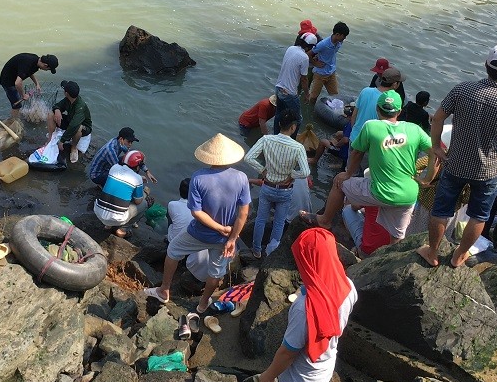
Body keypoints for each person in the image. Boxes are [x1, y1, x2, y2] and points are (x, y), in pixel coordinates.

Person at [417, 41, 497, 268]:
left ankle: (433, 252)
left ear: (485, 64)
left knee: (441, 210)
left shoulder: (462, 89)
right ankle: (459, 255)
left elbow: (438, 118)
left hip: (456, 162)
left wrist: (436, 147)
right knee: (479, 215)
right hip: (488, 170)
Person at [143, 134, 251, 313]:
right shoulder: (241, 178)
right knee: (216, 272)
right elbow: (243, 213)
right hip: (224, 239)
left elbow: (196, 212)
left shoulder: (199, 178)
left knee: (173, 251)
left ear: (209, 156)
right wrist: (231, 237)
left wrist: (219, 228)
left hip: (199, 233)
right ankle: (203, 303)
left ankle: (164, 290)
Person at [312, 91, 431, 245]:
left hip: (380, 192)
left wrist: (347, 174)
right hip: (408, 195)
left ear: (377, 109)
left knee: (339, 182)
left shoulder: (371, 126)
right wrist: (427, 178)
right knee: (396, 239)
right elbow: (436, 151)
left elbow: (356, 154)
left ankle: (325, 220)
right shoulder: (414, 129)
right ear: (400, 112)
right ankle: (389, 259)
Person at [257, 227, 358, 382]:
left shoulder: (304, 309)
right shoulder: (348, 286)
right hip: (323, 370)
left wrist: (268, 376)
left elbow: (288, 353)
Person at [244, 109, 310, 258]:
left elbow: (248, 158)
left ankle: (256, 250)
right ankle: (272, 250)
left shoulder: (266, 140)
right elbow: (305, 172)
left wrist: (263, 171)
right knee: (279, 223)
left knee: (261, 219)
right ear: (293, 127)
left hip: (268, 186)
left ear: (279, 123)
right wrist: (292, 175)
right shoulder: (298, 147)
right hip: (285, 190)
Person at [94, 150, 149, 238]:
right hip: (116, 218)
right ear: (138, 167)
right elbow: (138, 201)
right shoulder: (137, 179)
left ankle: (108, 226)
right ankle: (122, 229)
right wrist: (144, 191)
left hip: (98, 211)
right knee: (144, 204)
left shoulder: (114, 168)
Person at [273, 35, 316, 138]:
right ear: (309, 47)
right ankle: (291, 141)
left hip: (279, 88)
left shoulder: (291, 48)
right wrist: (307, 94)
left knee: (279, 115)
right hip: (289, 93)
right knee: (298, 119)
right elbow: (304, 79)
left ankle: (275, 136)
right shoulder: (304, 57)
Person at [350, 67, 405, 144]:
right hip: (372, 143)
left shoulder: (365, 91)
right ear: (395, 84)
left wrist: (354, 132)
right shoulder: (391, 101)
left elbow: (354, 115)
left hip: (355, 138)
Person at [0, 53, 59, 122]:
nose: (45, 70)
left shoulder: (36, 61)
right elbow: (18, 83)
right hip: (8, 81)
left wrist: (37, 84)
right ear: (45, 65)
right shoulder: (28, 63)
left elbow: (30, 72)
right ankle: (13, 123)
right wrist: (23, 95)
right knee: (17, 105)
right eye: (47, 69)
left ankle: (15, 118)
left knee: (17, 102)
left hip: (14, 77)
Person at [88, 127, 156, 187]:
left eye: (131, 142)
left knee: (136, 155)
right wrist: (138, 178)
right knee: (123, 177)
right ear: (121, 139)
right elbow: (120, 171)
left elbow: (133, 156)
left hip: (108, 166)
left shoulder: (119, 142)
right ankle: (104, 184)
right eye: (129, 142)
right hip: (97, 175)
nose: (130, 144)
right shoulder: (110, 150)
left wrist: (147, 171)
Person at [48, 80, 93, 163]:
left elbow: (74, 125)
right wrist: (57, 110)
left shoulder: (80, 107)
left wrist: (62, 141)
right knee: (51, 114)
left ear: (66, 93)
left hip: (83, 127)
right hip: (70, 120)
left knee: (78, 128)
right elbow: (57, 105)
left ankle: (74, 147)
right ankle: (50, 137)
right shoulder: (67, 100)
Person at [308, 22, 350, 105]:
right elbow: (309, 54)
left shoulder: (339, 42)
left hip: (331, 72)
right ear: (337, 34)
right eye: (344, 36)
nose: (344, 38)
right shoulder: (323, 44)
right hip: (320, 74)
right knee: (313, 97)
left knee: (335, 95)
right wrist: (315, 63)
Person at [309, 103, 354, 170]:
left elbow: (345, 139)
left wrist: (337, 144)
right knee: (339, 133)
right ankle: (330, 150)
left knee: (323, 141)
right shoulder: (357, 123)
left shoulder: (350, 124)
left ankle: (315, 160)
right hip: (352, 149)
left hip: (345, 153)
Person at [167, 178, 194, 243]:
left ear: (179, 190)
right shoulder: (200, 209)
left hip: (174, 241)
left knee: (171, 220)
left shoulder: (172, 204)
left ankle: (168, 237)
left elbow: (170, 221)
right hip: (193, 244)